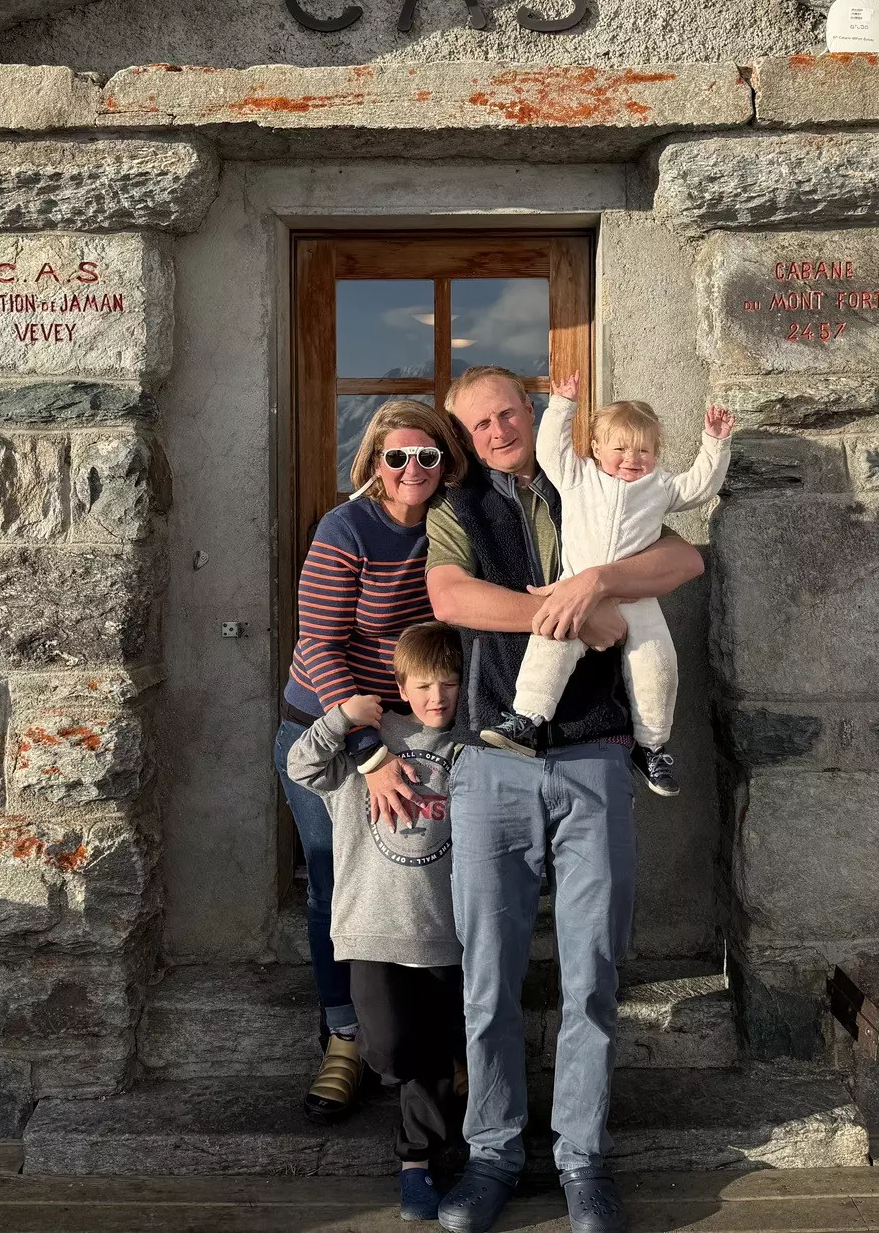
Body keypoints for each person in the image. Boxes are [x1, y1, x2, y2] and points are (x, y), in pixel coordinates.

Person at [425, 367, 706, 1233]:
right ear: (466, 436)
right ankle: (493, 1155)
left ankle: (583, 1159)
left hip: (593, 754)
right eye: (480, 423)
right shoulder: (457, 507)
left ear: (533, 412)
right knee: (488, 977)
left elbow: (684, 557)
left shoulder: (596, 474)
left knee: (590, 974)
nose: (499, 429)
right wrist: (572, 611)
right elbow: (451, 598)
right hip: (489, 764)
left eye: (509, 411)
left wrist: (599, 583)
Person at [278, 400, 466, 1125]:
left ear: (446, 462)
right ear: (374, 465)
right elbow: (321, 645)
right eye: (397, 457)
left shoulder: (453, 525)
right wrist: (369, 754)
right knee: (337, 884)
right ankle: (345, 1038)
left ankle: (438, 1039)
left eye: (427, 456)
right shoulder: (346, 527)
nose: (412, 469)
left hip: (422, 728)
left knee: (431, 880)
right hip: (333, 730)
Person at [285, 621, 469, 1223]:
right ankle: (396, 1069)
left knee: (435, 1057)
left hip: (444, 933)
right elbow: (301, 767)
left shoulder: (470, 747)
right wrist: (341, 717)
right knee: (391, 1050)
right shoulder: (371, 743)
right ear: (399, 685)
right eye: (422, 684)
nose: (436, 697)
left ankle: (416, 1162)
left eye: (449, 683)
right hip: (372, 928)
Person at [479, 375, 733, 799]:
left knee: (657, 664)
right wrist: (562, 405)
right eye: (619, 449)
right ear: (596, 448)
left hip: (636, 598)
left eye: (644, 451)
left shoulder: (660, 487)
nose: (631, 459)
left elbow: (701, 486)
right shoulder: (578, 477)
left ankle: (652, 746)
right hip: (574, 589)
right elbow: (550, 450)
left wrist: (715, 442)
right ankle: (525, 720)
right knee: (551, 641)